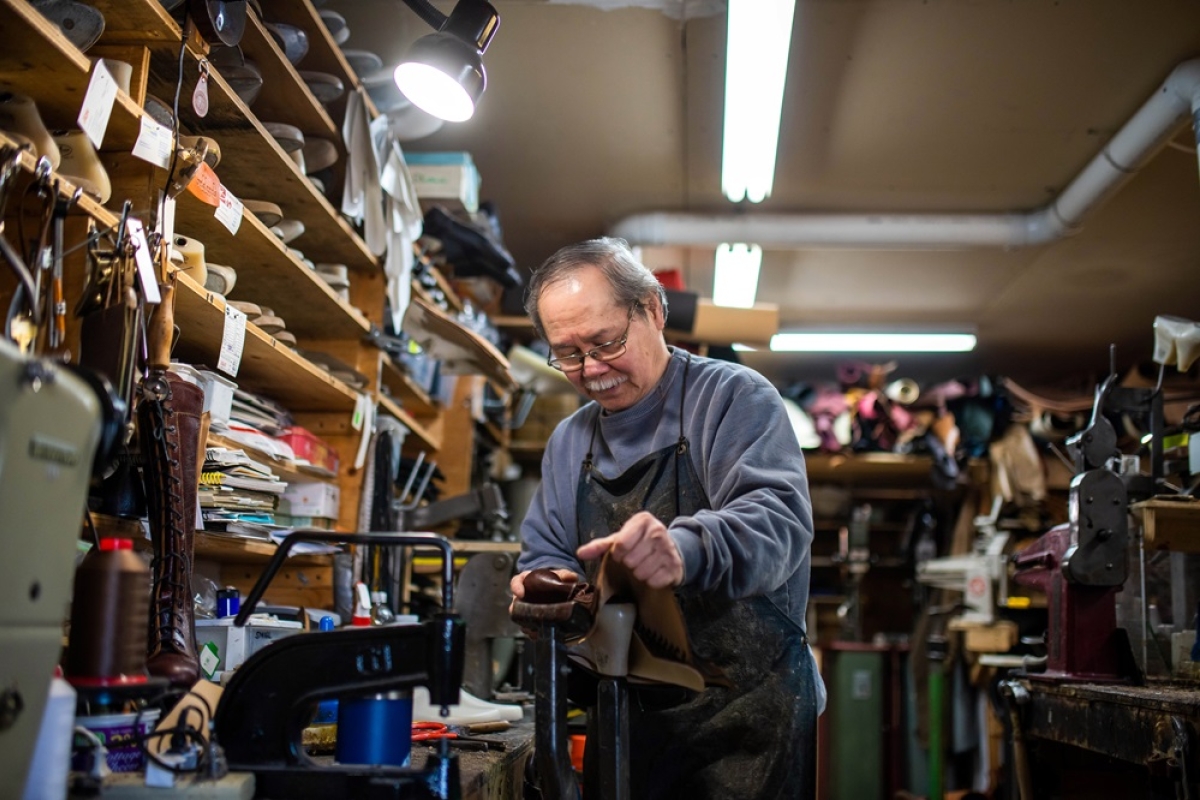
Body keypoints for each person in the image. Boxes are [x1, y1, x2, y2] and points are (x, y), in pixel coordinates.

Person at [512, 237, 823, 799]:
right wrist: (549, 586)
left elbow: (778, 524)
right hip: (629, 719)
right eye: (569, 353)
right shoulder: (569, 441)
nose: (592, 369)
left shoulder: (733, 398)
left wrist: (685, 549)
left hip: (749, 719)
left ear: (653, 310)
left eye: (606, 342)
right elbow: (546, 551)